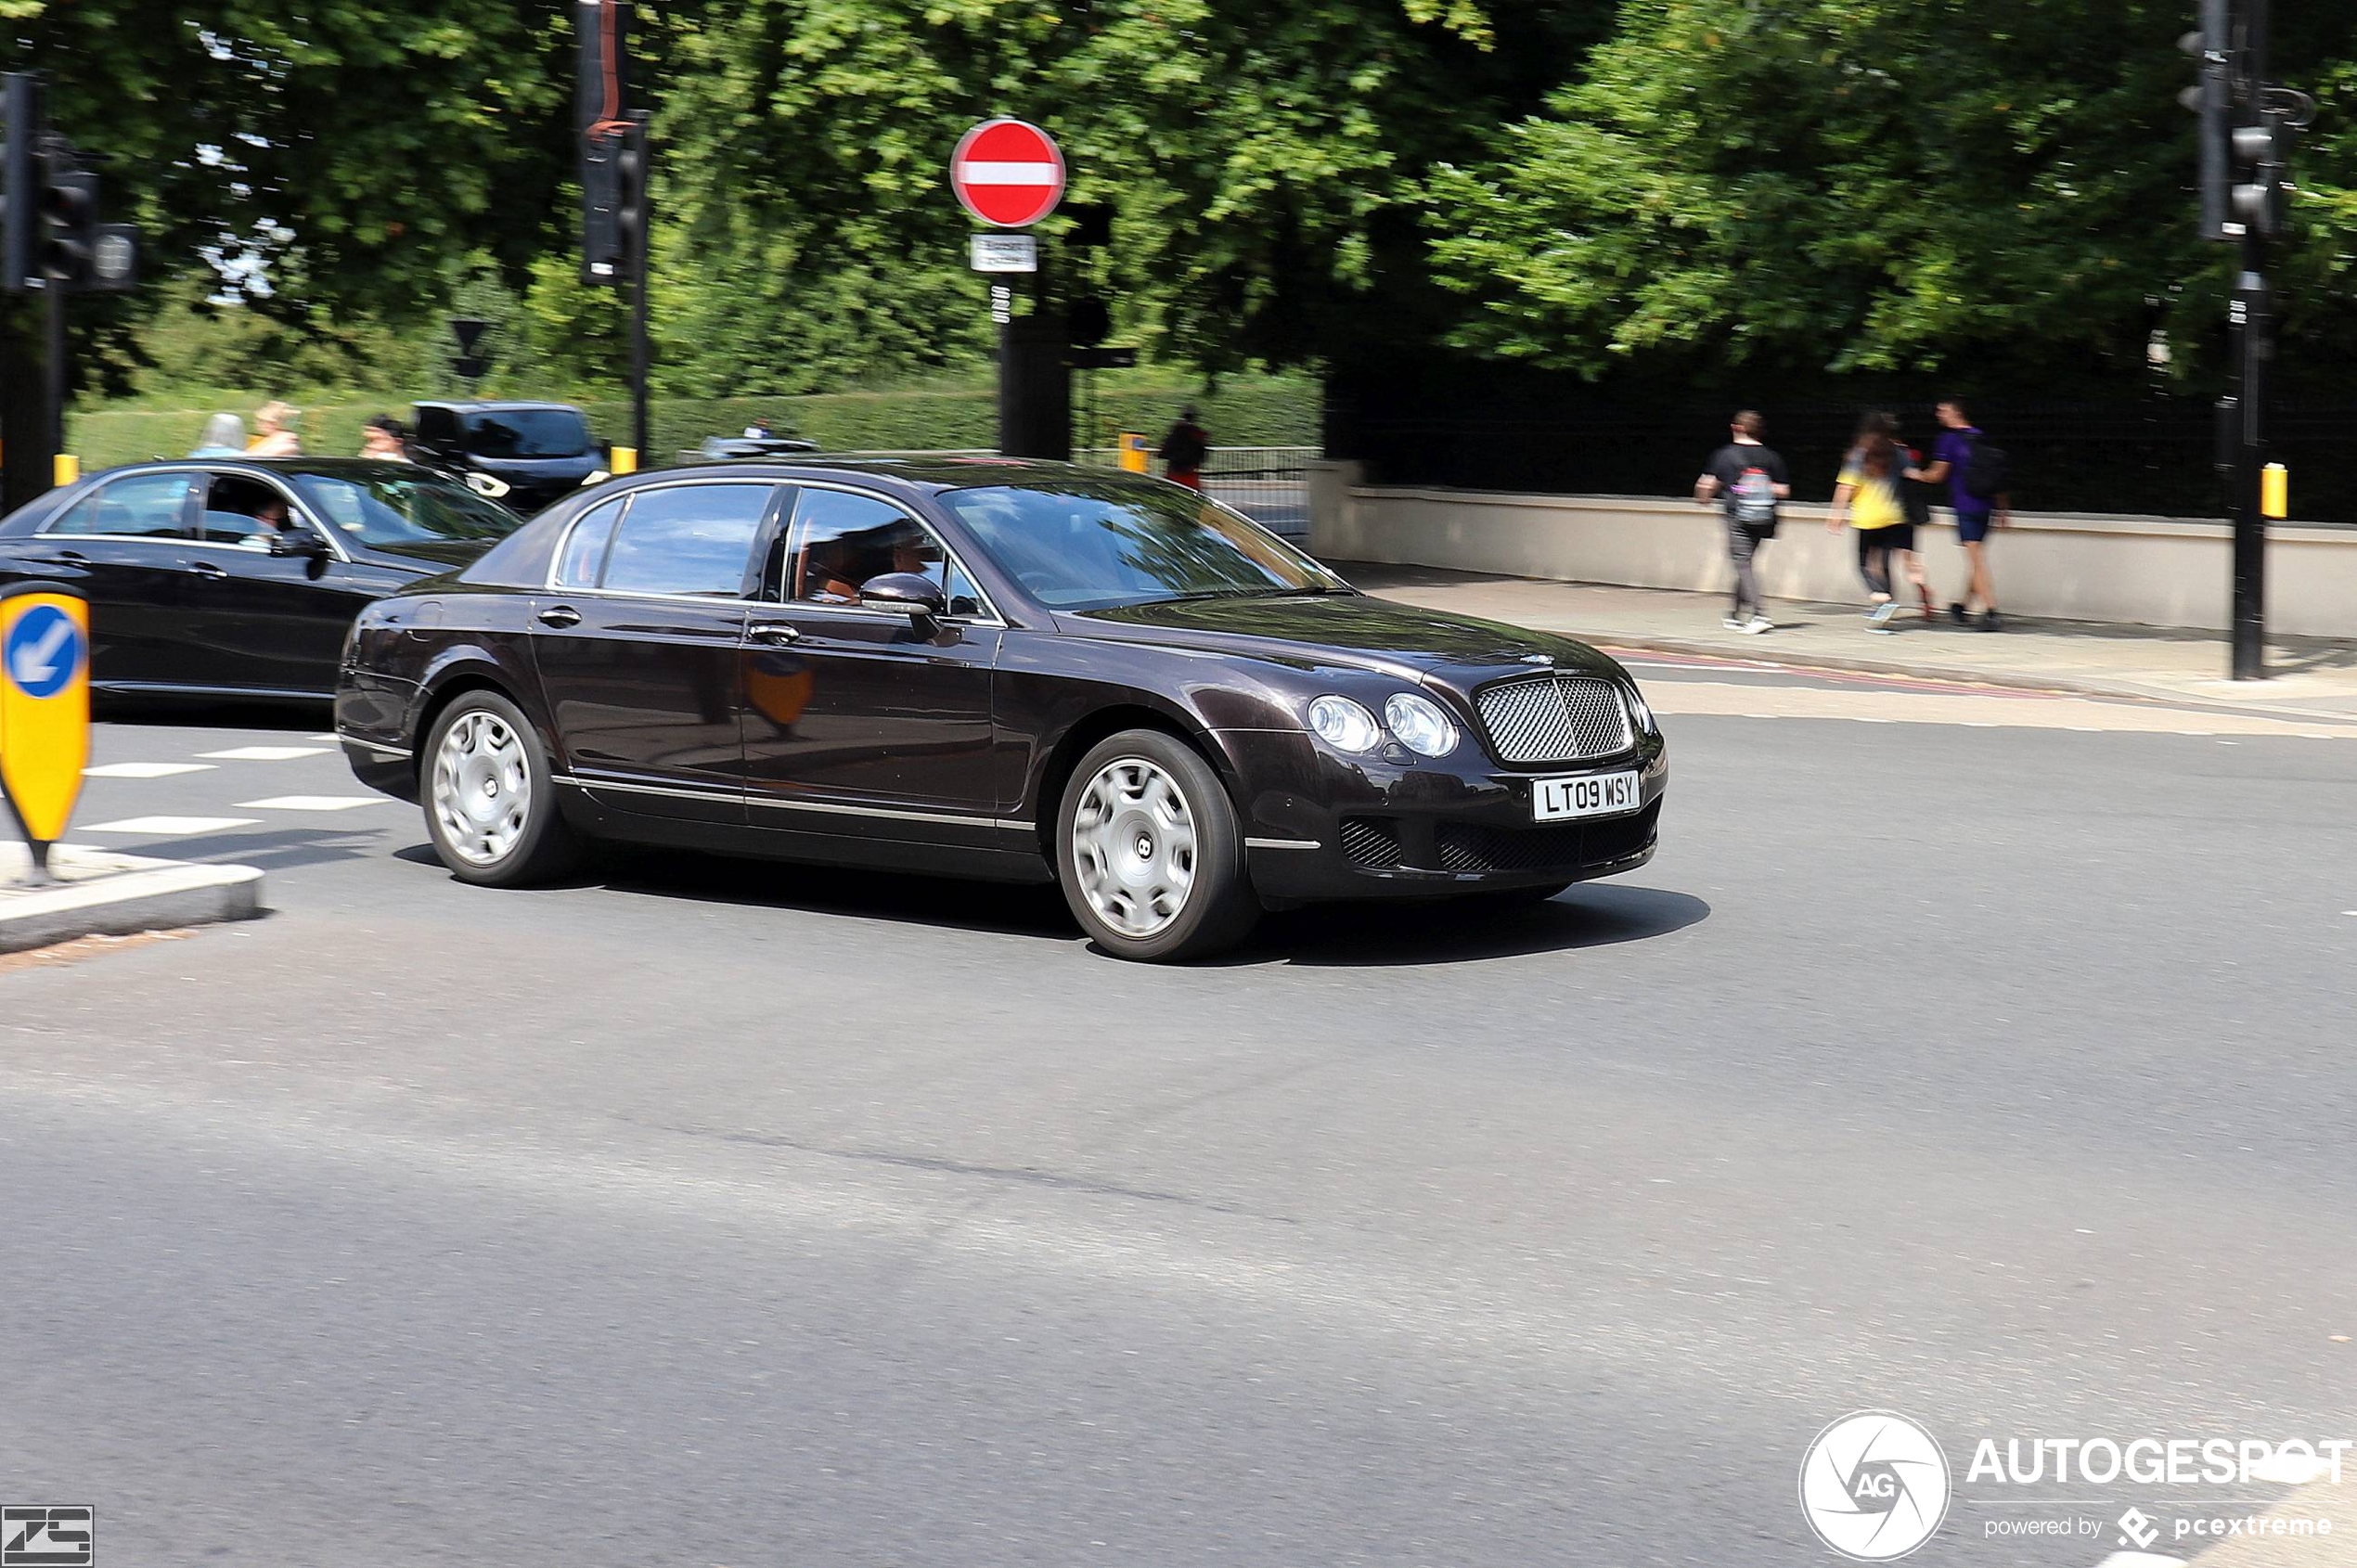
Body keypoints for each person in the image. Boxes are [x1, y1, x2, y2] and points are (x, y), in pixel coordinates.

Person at [1909, 397, 2009, 631]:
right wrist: (2003, 507)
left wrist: (1915, 475)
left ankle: (1991, 611)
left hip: (1966, 505)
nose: (1938, 414)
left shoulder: (1948, 440)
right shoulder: (1980, 436)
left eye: (1942, 410)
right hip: (1987, 504)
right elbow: (1997, 474)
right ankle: (1961, 606)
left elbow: (1937, 475)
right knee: (1976, 559)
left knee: (1976, 560)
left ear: (1956, 413)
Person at [1694, 409, 1789, 635]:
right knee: (1744, 563)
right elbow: (1784, 490)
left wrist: (1704, 496)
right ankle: (1735, 616)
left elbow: (1707, 486)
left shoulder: (1724, 455)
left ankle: (1759, 614)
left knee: (1742, 563)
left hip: (1737, 516)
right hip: (1766, 517)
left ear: (1736, 428)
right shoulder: (1772, 456)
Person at [1827, 412, 1921, 634]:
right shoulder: (1897, 453)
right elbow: (1912, 475)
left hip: (1868, 517)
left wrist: (1836, 514)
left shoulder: (1859, 455)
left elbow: (1845, 486)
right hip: (1894, 515)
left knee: (1863, 563)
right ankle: (1884, 615)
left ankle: (1881, 597)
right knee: (1884, 564)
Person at [1159, 405, 1209, 491]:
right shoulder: (1198, 433)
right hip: (1190, 471)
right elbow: (1202, 453)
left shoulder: (1176, 431)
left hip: (1174, 470)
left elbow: (1165, 450)